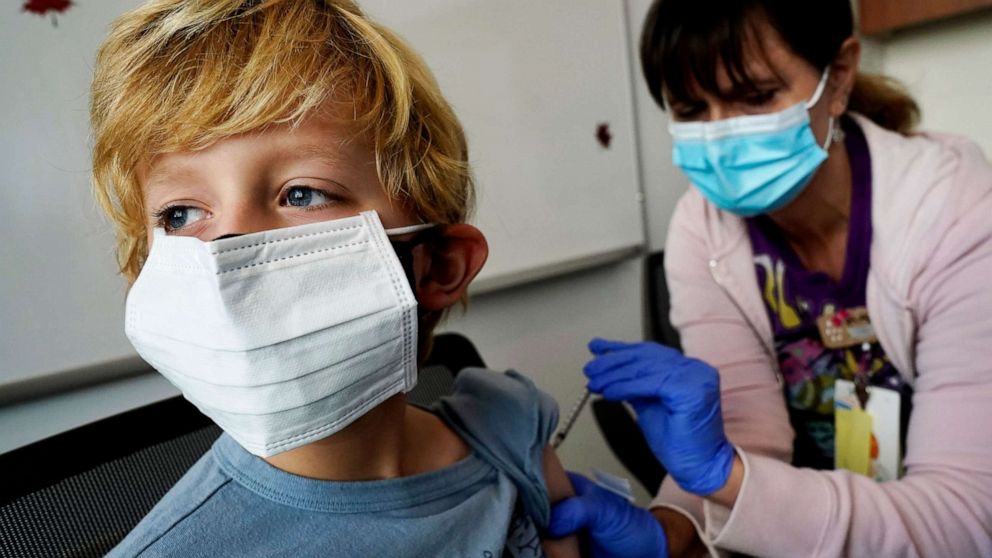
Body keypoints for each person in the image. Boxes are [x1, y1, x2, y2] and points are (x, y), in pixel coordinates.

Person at [89, 1, 579, 556]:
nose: (230, 247)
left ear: (438, 264)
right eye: (180, 214)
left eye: (302, 194)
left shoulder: (509, 426)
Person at [549, 0, 992, 556]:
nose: (720, 135)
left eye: (756, 98)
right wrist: (669, 532)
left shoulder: (958, 212)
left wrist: (722, 475)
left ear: (839, 79)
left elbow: (965, 519)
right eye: (691, 107)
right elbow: (745, 438)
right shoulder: (703, 228)